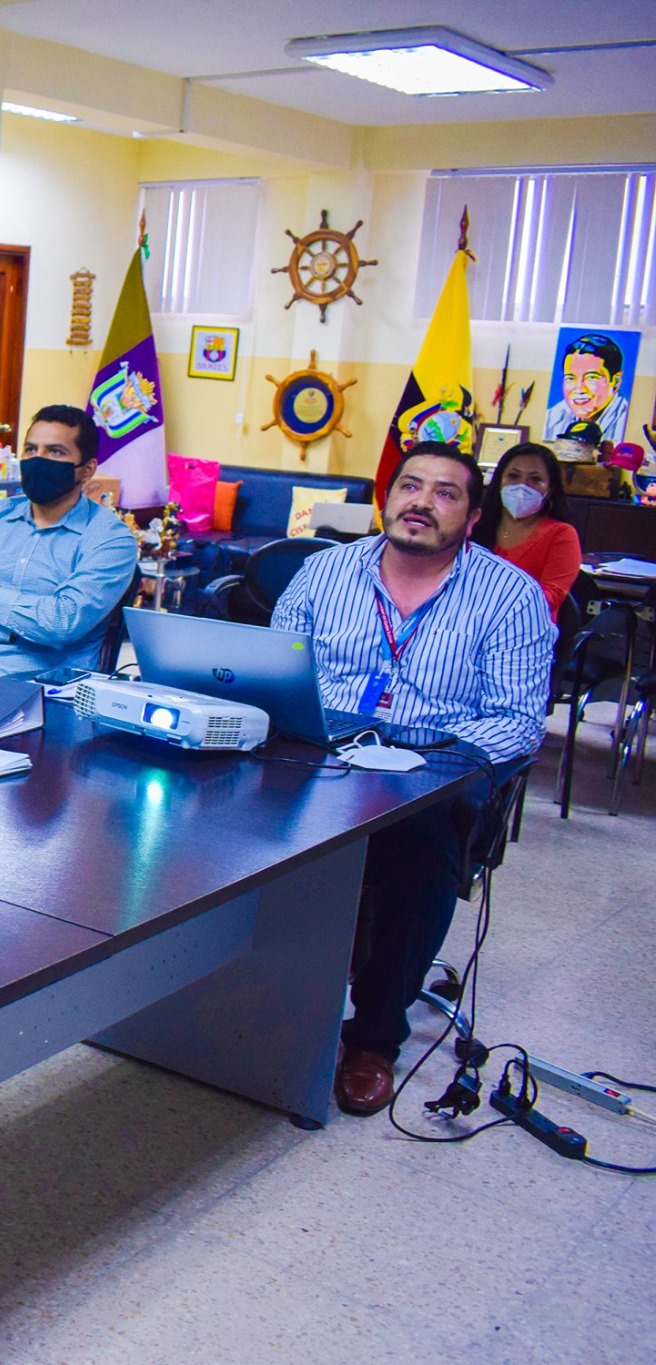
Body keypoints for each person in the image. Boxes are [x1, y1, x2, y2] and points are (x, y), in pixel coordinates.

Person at [271, 442, 554, 1115]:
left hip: (431, 772)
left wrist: (428, 758)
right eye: (409, 485)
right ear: (387, 497)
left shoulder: (510, 596)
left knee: (419, 845)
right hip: (320, 753)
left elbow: (518, 722)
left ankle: (373, 1037)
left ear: (474, 516)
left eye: (446, 493)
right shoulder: (323, 572)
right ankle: (240, 993)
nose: (422, 502)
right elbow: (277, 670)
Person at [0, 403, 139, 677]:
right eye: (31, 449)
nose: (38, 460)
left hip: (44, 691)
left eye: (55, 452)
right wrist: (19, 629)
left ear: (87, 470)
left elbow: (61, 623)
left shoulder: (110, 539)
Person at [472, 441, 583, 615]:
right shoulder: (475, 526)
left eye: (535, 479)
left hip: (526, 627)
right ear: (499, 481)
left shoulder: (561, 535)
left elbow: (550, 598)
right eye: (513, 476)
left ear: (550, 489)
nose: (522, 486)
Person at [543, 333, 630, 443]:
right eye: (570, 378)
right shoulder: (553, 417)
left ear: (616, 382)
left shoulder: (625, 420)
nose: (579, 389)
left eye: (591, 377)